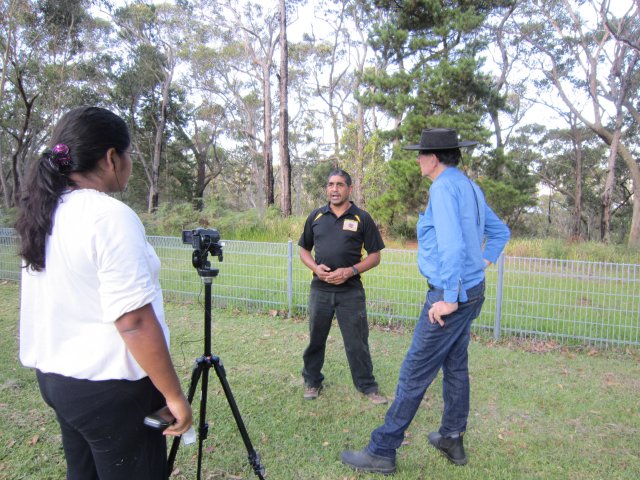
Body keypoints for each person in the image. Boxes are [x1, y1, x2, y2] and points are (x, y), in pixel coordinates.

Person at [16, 106, 192, 480]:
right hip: (109, 391)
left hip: (58, 381)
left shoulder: (46, 211)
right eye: (128, 155)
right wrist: (174, 396)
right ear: (112, 158)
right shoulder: (107, 216)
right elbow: (133, 321)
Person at [341, 128, 511, 474]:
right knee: (456, 366)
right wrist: (482, 262)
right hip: (472, 290)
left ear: (434, 158)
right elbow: (499, 232)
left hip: (452, 297)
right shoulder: (469, 186)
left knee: (414, 372)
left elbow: (450, 245)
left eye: (420, 154)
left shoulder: (444, 187)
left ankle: (382, 450)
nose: (418, 159)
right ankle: (451, 437)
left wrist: (449, 298)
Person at [298, 169, 387, 405]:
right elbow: (303, 250)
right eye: (330, 184)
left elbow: (375, 256)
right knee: (316, 338)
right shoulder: (316, 216)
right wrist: (316, 268)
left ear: (349, 188)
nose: (334, 189)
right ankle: (312, 381)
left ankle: (367, 386)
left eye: (339, 185)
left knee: (357, 341)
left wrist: (350, 271)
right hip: (320, 289)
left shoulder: (362, 218)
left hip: (351, 292)